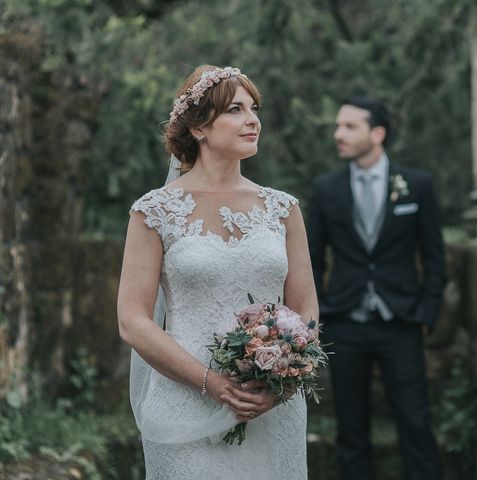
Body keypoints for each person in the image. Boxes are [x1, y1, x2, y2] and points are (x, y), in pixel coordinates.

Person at [117, 65, 318, 479]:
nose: (252, 120)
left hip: (270, 406)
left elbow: (305, 308)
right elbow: (133, 321)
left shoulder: (284, 209)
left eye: (254, 108)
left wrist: (281, 383)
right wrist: (212, 383)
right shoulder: (155, 211)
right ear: (198, 128)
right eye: (235, 109)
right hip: (185, 400)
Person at [307, 96, 446, 480]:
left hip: (401, 323)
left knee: (416, 424)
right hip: (345, 325)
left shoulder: (417, 186)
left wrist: (425, 315)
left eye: (350, 126)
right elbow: (312, 260)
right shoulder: (326, 189)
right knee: (351, 431)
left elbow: (435, 258)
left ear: (378, 133)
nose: (339, 134)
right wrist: (318, 318)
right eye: (338, 126)